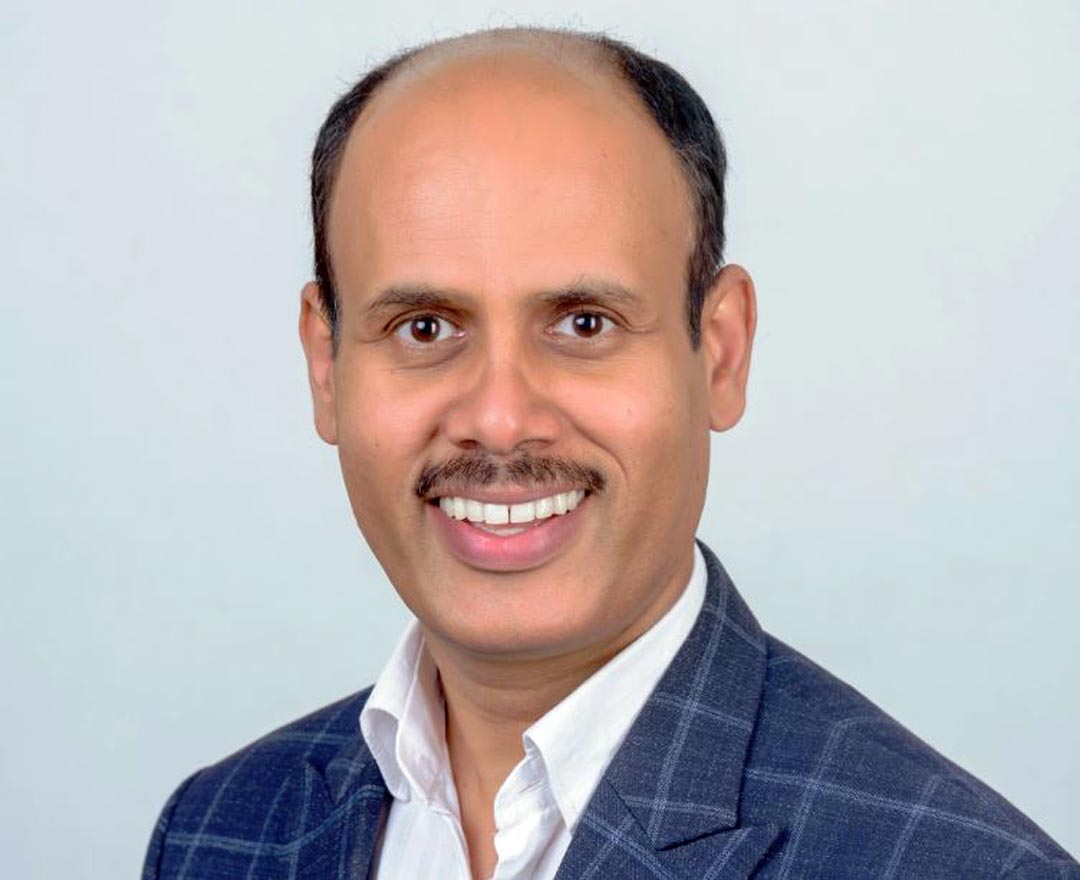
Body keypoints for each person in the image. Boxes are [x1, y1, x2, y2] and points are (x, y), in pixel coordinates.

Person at [142, 27, 1078, 880]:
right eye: (425, 326)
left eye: (584, 323)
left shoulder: (966, 868)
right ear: (326, 364)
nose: (500, 419)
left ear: (720, 353)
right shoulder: (217, 831)